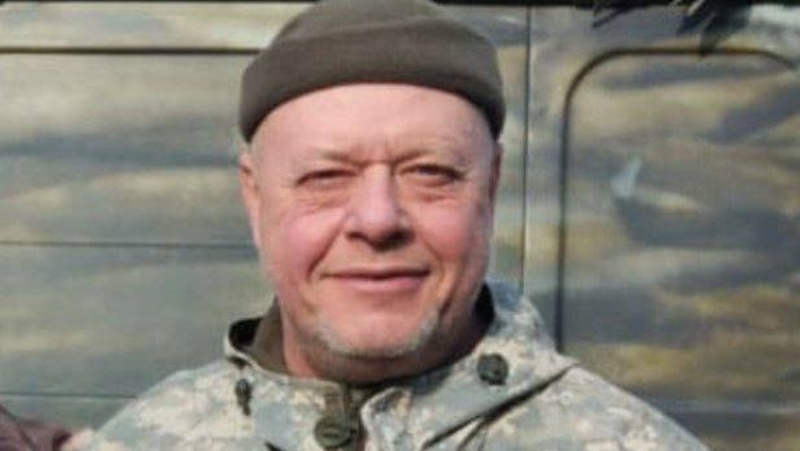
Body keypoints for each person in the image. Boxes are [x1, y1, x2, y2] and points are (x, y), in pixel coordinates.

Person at [86, 0, 710, 449]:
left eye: (429, 172)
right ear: (255, 198)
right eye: (325, 177)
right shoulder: (145, 438)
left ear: (490, 187)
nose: (379, 219)